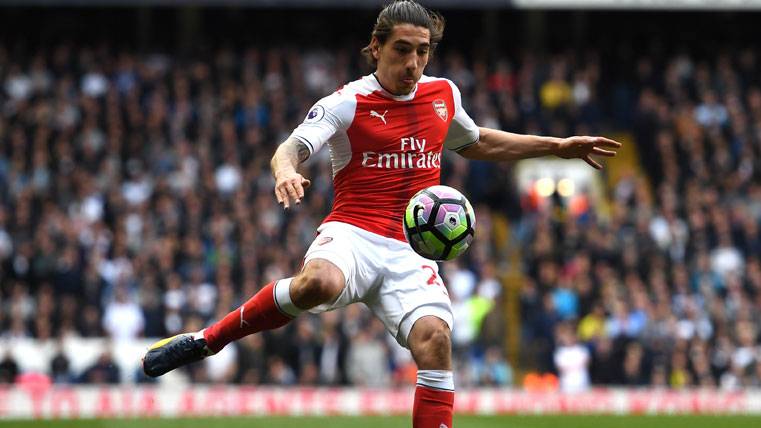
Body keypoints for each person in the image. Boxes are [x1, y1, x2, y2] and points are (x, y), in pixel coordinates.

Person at [142, 1, 620, 426]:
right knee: (317, 284)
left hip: (411, 250)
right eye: (402, 50)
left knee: (436, 340)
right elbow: (290, 148)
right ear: (376, 47)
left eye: (423, 51)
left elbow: (476, 143)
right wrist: (284, 171)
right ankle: (210, 339)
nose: (413, 63)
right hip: (353, 233)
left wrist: (557, 146)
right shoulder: (348, 102)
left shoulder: (443, 95)